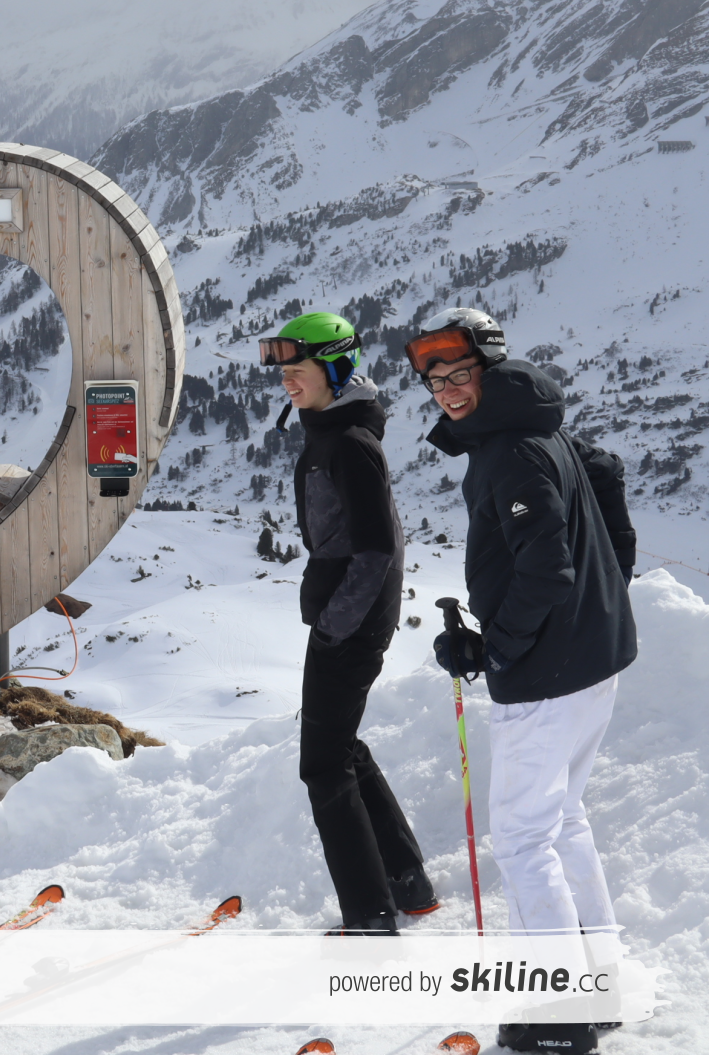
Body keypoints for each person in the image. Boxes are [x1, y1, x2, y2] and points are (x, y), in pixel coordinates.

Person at [410, 308, 636, 1055]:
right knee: (562, 820)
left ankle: (560, 1012)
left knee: (521, 838)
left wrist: (494, 649)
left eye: (460, 374)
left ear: (492, 368)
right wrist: (607, 596)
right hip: (589, 660)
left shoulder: (510, 451)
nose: (448, 390)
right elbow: (605, 484)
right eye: (436, 381)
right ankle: (599, 982)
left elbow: (546, 570)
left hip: (547, 675)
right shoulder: (540, 428)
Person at [260, 311, 436, 936]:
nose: (288, 380)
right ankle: (408, 883)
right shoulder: (331, 432)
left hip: (352, 623)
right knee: (341, 746)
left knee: (322, 764)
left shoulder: (350, 443)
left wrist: (335, 624)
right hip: (350, 618)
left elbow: (377, 547)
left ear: (334, 369)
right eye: (282, 370)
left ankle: (370, 915)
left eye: (299, 368)